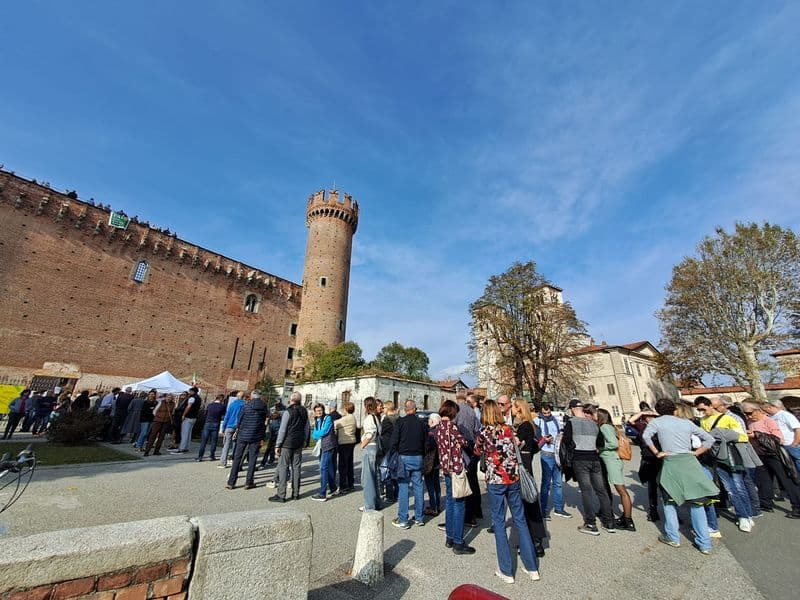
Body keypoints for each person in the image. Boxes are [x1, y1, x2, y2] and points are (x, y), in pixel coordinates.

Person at [642, 398, 718, 554]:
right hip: (689, 461)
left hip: (671, 462)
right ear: (674, 410)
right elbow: (709, 439)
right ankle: (705, 543)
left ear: (657, 411)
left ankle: (673, 536)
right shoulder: (686, 423)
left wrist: (657, 452)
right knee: (697, 502)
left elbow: (646, 436)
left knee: (669, 501)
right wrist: (696, 453)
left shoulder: (657, 423)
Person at [475, 400, 540, 583]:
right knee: (520, 520)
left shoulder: (483, 433)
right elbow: (517, 445)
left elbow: (477, 451)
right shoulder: (509, 429)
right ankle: (532, 567)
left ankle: (506, 570)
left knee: (499, 522)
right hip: (513, 478)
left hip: (495, 480)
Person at [694, 397, 757, 531]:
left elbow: (743, 436)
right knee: (729, 488)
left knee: (739, 486)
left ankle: (746, 515)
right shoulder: (703, 420)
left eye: (703, 409)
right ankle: (743, 515)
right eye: (699, 410)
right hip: (716, 456)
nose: (701, 412)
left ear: (710, 406)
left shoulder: (728, 419)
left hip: (731, 455)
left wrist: (723, 435)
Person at [562, 399, 615, 535]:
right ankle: (609, 521)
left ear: (572, 409)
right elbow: (601, 442)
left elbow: (566, 440)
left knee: (586, 490)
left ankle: (591, 523)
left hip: (580, 458)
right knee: (601, 490)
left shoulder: (571, 422)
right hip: (594, 458)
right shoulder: (593, 423)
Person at [743, 401, 800, 519]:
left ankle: (797, 507)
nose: (748, 416)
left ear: (758, 410)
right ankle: (766, 503)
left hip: (774, 454)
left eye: (749, 413)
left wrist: (757, 435)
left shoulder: (768, 421)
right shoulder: (750, 422)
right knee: (763, 480)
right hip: (759, 455)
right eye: (745, 414)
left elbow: (778, 439)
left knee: (786, 480)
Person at [434, 400, 474, 555]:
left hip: (445, 467)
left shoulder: (438, 427)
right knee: (459, 503)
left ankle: (449, 537)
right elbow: (464, 442)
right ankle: (458, 541)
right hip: (455, 467)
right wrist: (461, 443)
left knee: (450, 502)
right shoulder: (452, 427)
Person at [512, 399, 547, 555]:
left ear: (519, 409)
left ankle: (533, 541)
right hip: (526, 462)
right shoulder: (529, 425)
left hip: (523, 464)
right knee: (528, 500)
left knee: (527, 501)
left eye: (514, 407)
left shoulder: (525, 426)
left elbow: (517, 444)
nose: (512, 410)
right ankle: (534, 540)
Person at [390, 400, 428, 529]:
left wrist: (394, 453)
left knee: (404, 487)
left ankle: (403, 519)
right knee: (418, 487)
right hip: (418, 457)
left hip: (404, 456)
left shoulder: (400, 422)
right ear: (415, 409)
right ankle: (419, 518)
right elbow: (426, 441)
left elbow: (394, 441)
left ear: (405, 409)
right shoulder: (421, 423)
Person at [596, 408, 635, 532]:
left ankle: (628, 521)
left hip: (612, 460)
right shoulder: (610, 426)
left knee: (621, 490)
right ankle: (626, 517)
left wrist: (600, 447)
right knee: (620, 489)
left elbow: (613, 443)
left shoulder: (604, 427)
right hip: (614, 460)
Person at [269, 392, 310, 503]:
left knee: (283, 467)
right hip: (298, 442)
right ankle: (296, 493)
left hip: (287, 443)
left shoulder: (288, 412)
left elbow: (283, 429)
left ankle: (281, 494)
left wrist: (278, 444)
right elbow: (306, 427)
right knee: (296, 467)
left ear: (291, 400)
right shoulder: (304, 411)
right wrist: (305, 440)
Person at [534, 403, 570, 519]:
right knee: (546, 483)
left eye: (548, 412)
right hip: (546, 453)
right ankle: (544, 510)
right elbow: (536, 437)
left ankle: (558, 508)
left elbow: (561, 431)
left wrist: (561, 436)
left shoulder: (556, 419)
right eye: (544, 413)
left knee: (558, 483)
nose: (547, 415)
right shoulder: (537, 421)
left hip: (557, 453)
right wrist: (544, 439)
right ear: (541, 412)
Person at [226, 391, 267, 490]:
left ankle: (231, 482)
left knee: (237, 457)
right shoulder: (264, 407)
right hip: (256, 435)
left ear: (251, 397)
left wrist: (239, 429)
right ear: (260, 397)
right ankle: (249, 482)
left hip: (243, 434)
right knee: (253, 458)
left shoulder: (246, 406)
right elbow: (264, 422)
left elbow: (239, 420)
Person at [628, 409, 661, 521]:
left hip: (661, 457)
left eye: (651, 415)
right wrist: (642, 413)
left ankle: (673, 512)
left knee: (665, 485)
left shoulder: (660, 424)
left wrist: (655, 413)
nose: (650, 417)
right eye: (647, 416)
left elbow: (666, 416)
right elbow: (630, 421)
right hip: (648, 457)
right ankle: (653, 510)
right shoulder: (642, 426)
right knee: (652, 485)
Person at [456, 393, 482, 526]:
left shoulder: (457, 411)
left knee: (463, 483)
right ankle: (476, 511)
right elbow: (478, 429)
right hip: (472, 448)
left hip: (462, 449)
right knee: (473, 481)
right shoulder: (472, 412)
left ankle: (467, 516)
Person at [311, 403, 339, 501]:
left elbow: (324, 432)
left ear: (323, 410)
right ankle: (333, 488)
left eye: (320, 410)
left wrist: (317, 434)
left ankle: (322, 494)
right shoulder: (317, 420)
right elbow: (314, 435)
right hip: (322, 445)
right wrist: (317, 434)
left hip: (328, 445)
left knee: (323, 468)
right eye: (317, 411)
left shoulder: (328, 418)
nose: (319, 412)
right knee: (329, 468)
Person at [763, 399, 800, 472]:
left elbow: (797, 429)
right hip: (781, 445)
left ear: (772, 407)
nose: (765, 411)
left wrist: (795, 442)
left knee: (798, 461)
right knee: (791, 466)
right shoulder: (771, 417)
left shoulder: (785, 415)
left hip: (790, 443)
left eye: (766, 408)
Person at [359, 396, 382, 511]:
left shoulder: (369, 418)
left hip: (370, 447)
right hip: (375, 447)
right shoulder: (376, 418)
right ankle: (376, 502)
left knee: (368, 478)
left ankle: (369, 505)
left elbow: (370, 433)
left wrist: (362, 444)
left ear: (366, 406)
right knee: (374, 476)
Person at [334, 402, 357, 492]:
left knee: (343, 465)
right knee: (349, 464)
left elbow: (334, 423)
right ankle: (350, 484)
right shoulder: (352, 417)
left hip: (344, 443)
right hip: (351, 442)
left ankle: (343, 486)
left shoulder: (346, 418)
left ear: (346, 409)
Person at [171, 387, 201, 454]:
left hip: (188, 417)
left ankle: (182, 448)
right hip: (194, 417)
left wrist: (184, 414)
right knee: (189, 433)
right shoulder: (199, 398)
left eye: (190, 391)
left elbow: (189, 406)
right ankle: (186, 447)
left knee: (184, 433)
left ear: (192, 391)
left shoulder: (192, 398)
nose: (189, 392)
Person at [219, 391, 244, 468]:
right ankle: (233, 460)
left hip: (229, 425)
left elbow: (227, 416)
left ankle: (223, 462)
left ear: (237, 397)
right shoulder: (244, 404)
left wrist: (223, 427)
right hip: (239, 427)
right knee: (236, 444)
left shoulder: (232, 404)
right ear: (243, 397)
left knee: (226, 444)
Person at [380, 402, 399, 503]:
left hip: (387, 448)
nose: (383, 409)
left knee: (387, 471)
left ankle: (389, 496)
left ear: (387, 408)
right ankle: (397, 494)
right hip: (397, 448)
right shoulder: (399, 419)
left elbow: (381, 432)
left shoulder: (387, 420)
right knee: (395, 471)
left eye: (384, 407)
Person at [424, 413, 442, 516]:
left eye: (429, 419)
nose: (428, 421)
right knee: (436, 484)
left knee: (431, 485)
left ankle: (433, 507)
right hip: (437, 461)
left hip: (430, 462)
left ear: (432, 421)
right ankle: (437, 505)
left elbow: (428, 447)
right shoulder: (440, 431)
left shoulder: (431, 432)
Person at [197, 394, 225, 461]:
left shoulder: (210, 405)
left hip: (208, 422)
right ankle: (212, 456)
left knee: (204, 441)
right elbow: (223, 415)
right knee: (213, 441)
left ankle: (200, 456)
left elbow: (206, 413)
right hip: (216, 423)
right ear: (221, 399)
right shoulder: (222, 406)